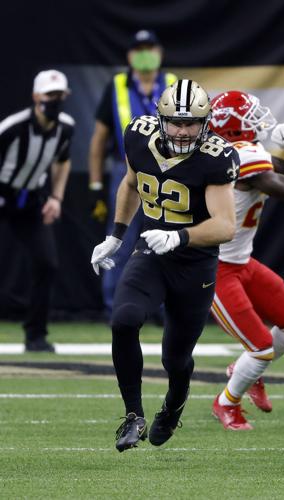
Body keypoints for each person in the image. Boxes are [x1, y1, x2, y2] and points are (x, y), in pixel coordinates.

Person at [91, 80, 240, 451]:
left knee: (175, 358)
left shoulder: (216, 156)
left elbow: (225, 224)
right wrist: (117, 235)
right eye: (175, 122)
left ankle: (173, 406)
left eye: (192, 123)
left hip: (195, 266)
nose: (184, 130)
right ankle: (133, 416)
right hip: (152, 255)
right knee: (124, 319)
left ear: (205, 123)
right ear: (161, 119)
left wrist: (181, 236)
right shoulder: (138, 136)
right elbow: (129, 183)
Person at [208, 90, 284, 430]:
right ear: (232, 127)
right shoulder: (233, 157)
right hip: (215, 269)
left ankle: (244, 371)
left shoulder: (247, 152)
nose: (257, 119)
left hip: (242, 262)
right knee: (261, 347)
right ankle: (226, 403)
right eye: (249, 115)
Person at [88, 29, 177, 318]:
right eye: (139, 49)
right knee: (120, 236)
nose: (145, 54)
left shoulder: (174, 84)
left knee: (166, 237)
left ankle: (165, 309)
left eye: (150, 48)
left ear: (160, 53)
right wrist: (95, 184)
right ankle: (115, 308)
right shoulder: (117, 86)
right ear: (129, 56)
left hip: (169, 171)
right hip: (126, 170)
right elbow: (99, 139)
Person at [0, 69, 74, 352]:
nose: (55, 101)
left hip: (30, 199)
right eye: (49, 95)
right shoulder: (12, 127)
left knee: (47, 262)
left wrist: (56, 197)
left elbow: (63, 160)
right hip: (2, 191)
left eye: (59, 95)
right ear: (36, 97)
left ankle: (35, 336)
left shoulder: (66, 127)